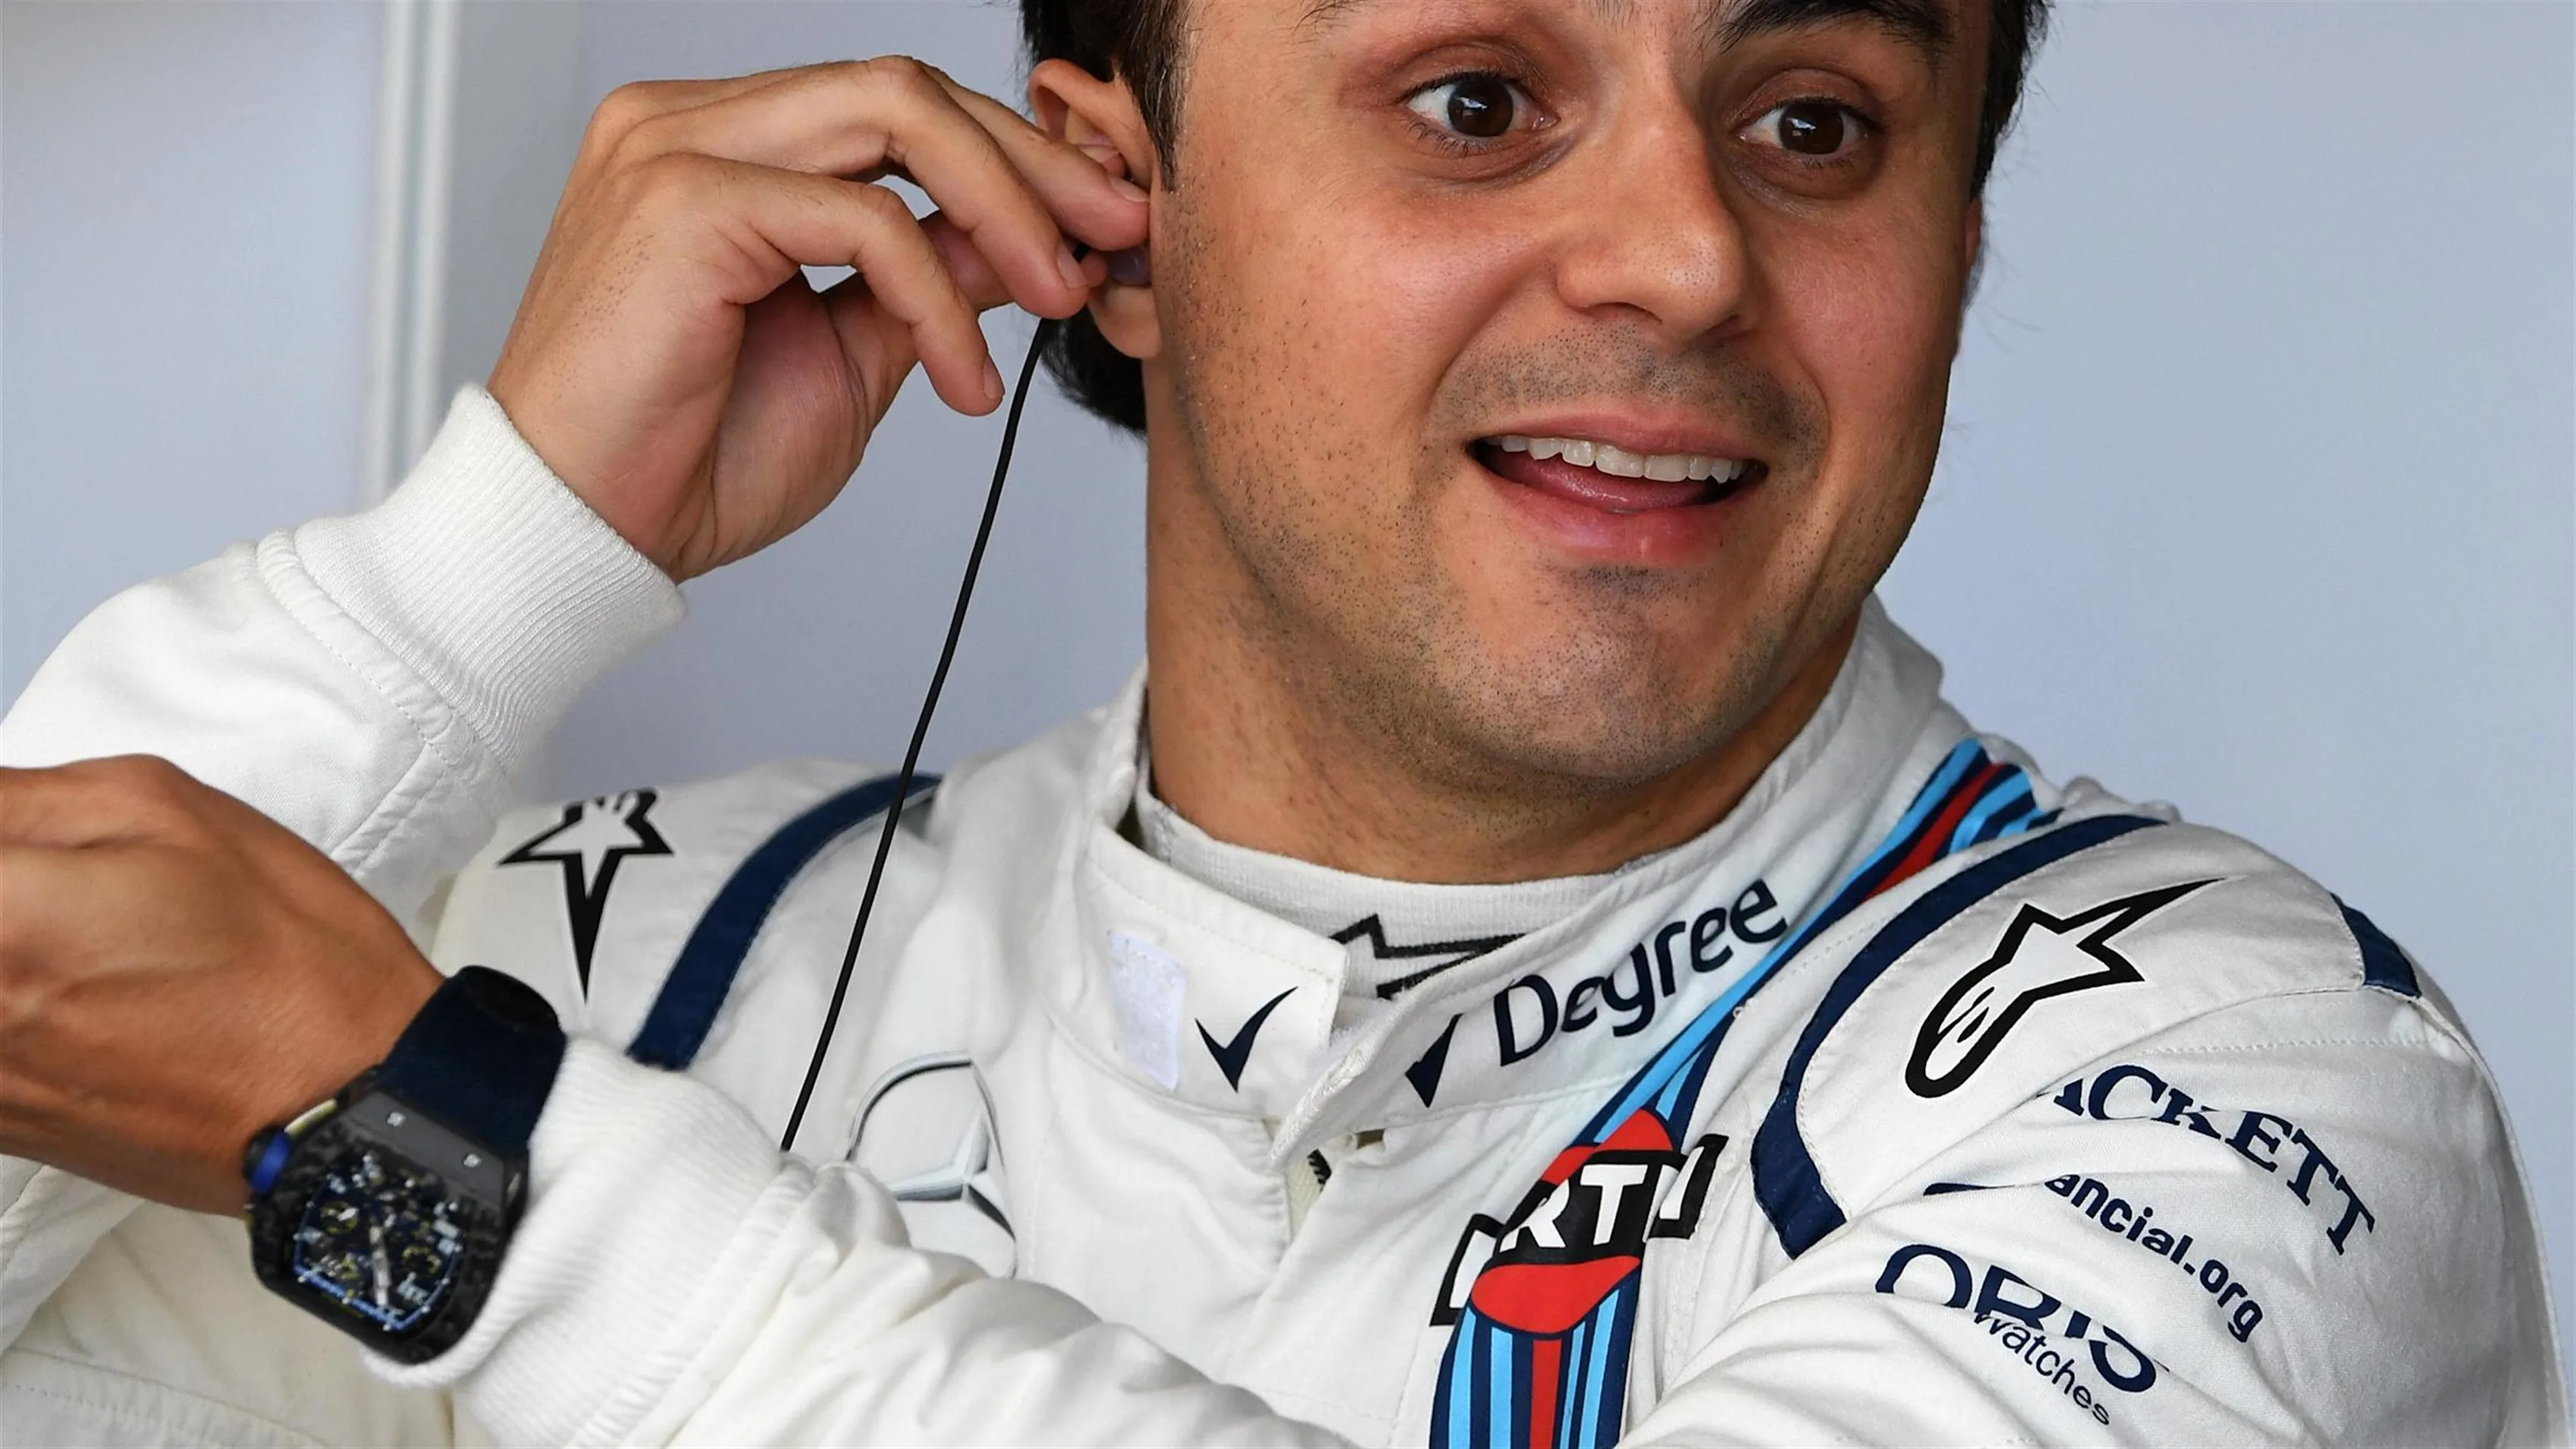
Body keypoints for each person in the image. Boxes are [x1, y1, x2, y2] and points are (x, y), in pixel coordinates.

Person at [0, 0, 2562, 1442]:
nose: (1682, 252)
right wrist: (482, 565)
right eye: (1477, 102)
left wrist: (468, 1176)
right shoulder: (621, 946)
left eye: (1813, 123)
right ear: (1116, 218)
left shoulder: (2245, 1076)